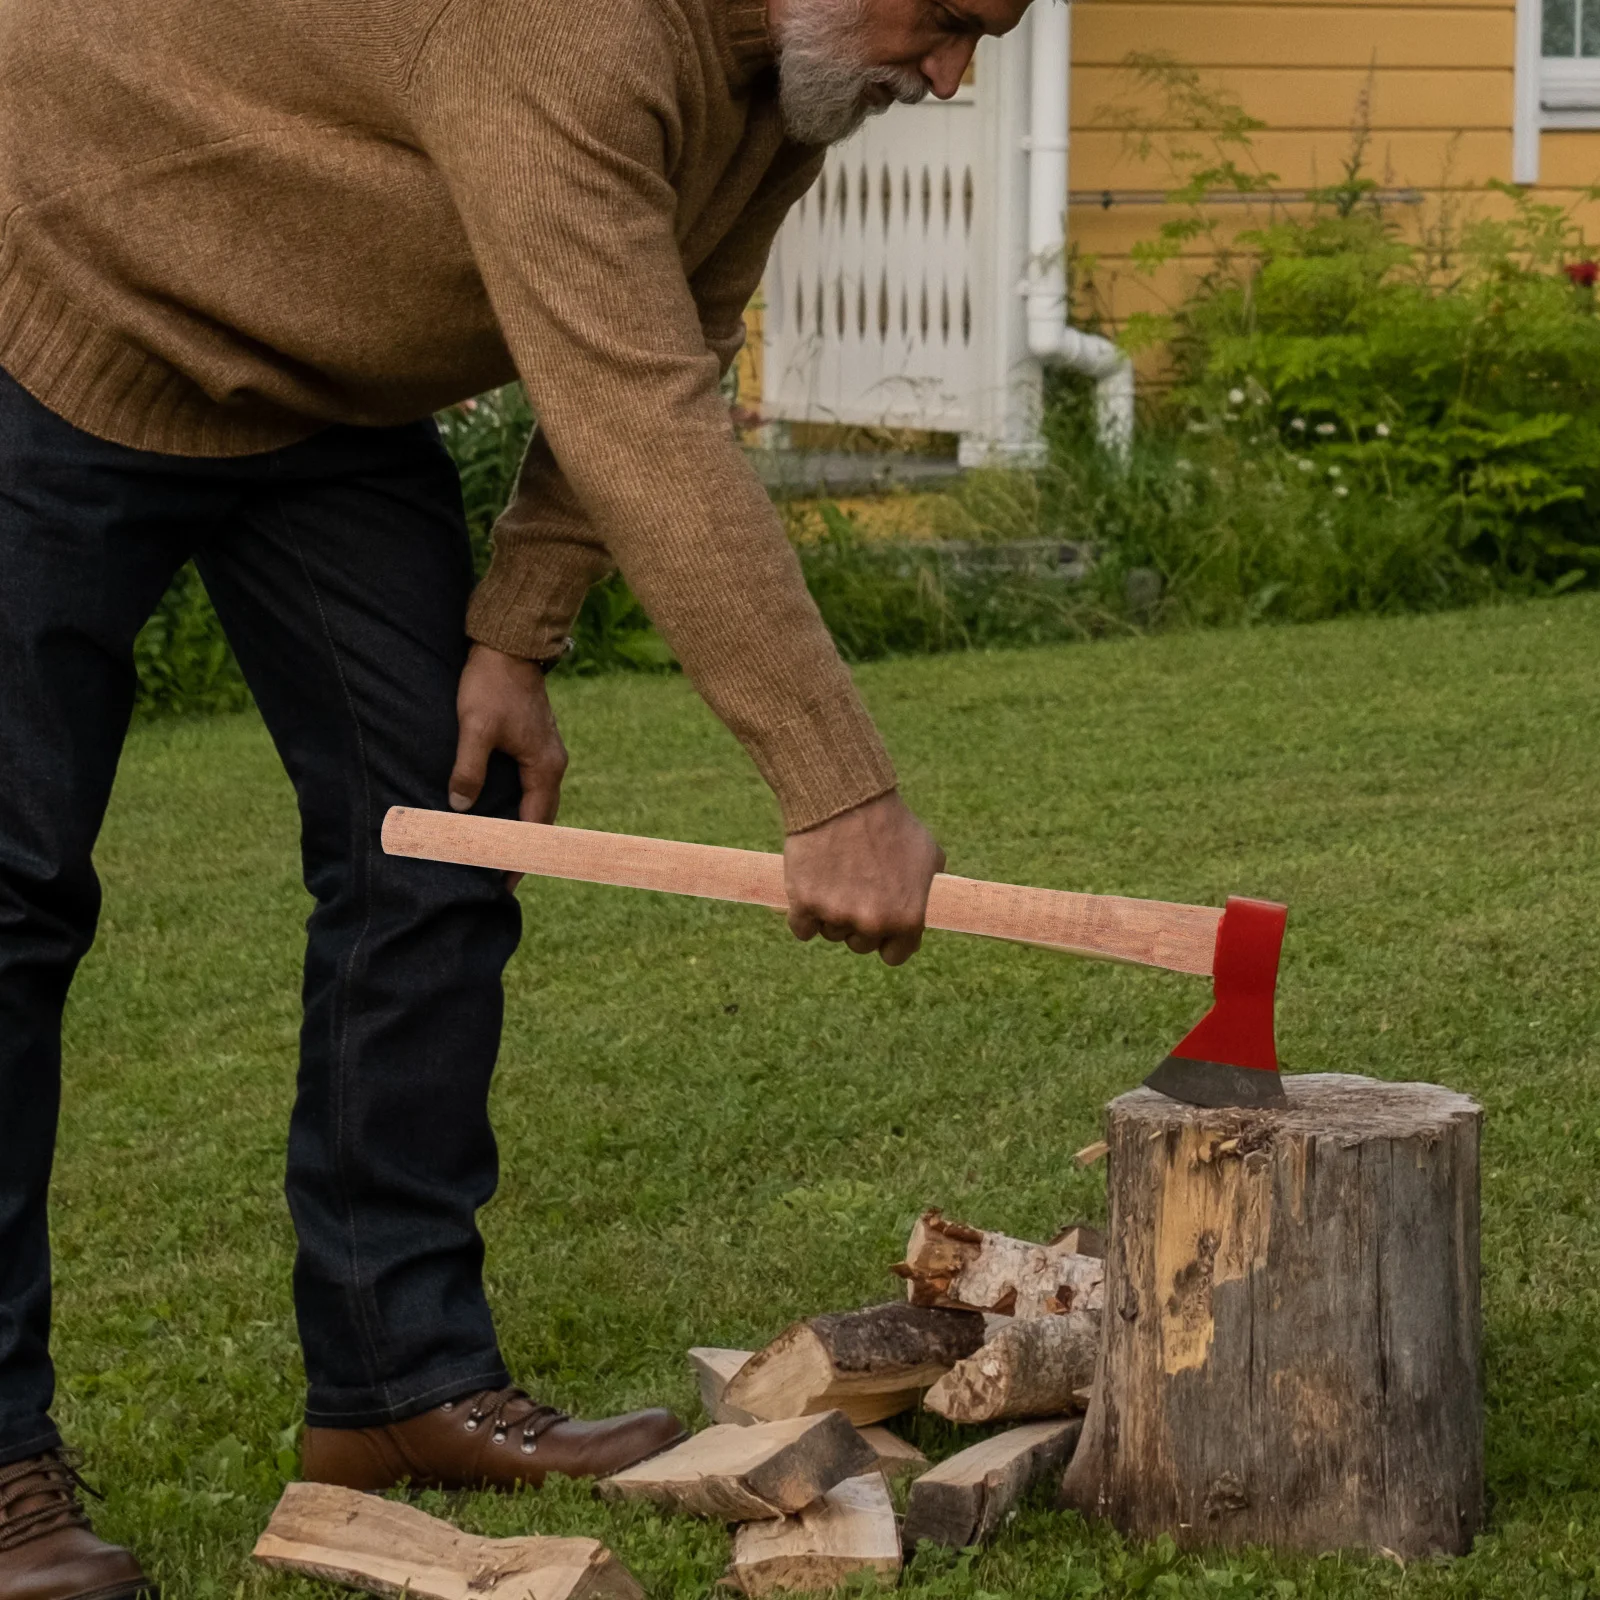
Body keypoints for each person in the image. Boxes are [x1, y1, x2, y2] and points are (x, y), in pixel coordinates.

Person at [0, 0, 1030, 1591]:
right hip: (54, 309)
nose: (956, 71)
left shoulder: (787, 82)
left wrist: (514, 636)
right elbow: (636, 411)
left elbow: (672, 329)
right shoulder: (567, 28)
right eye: (951, 15)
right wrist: (838, 793)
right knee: (11, 896)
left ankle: (397, 1385)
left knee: (440, 836)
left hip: (324, 402)